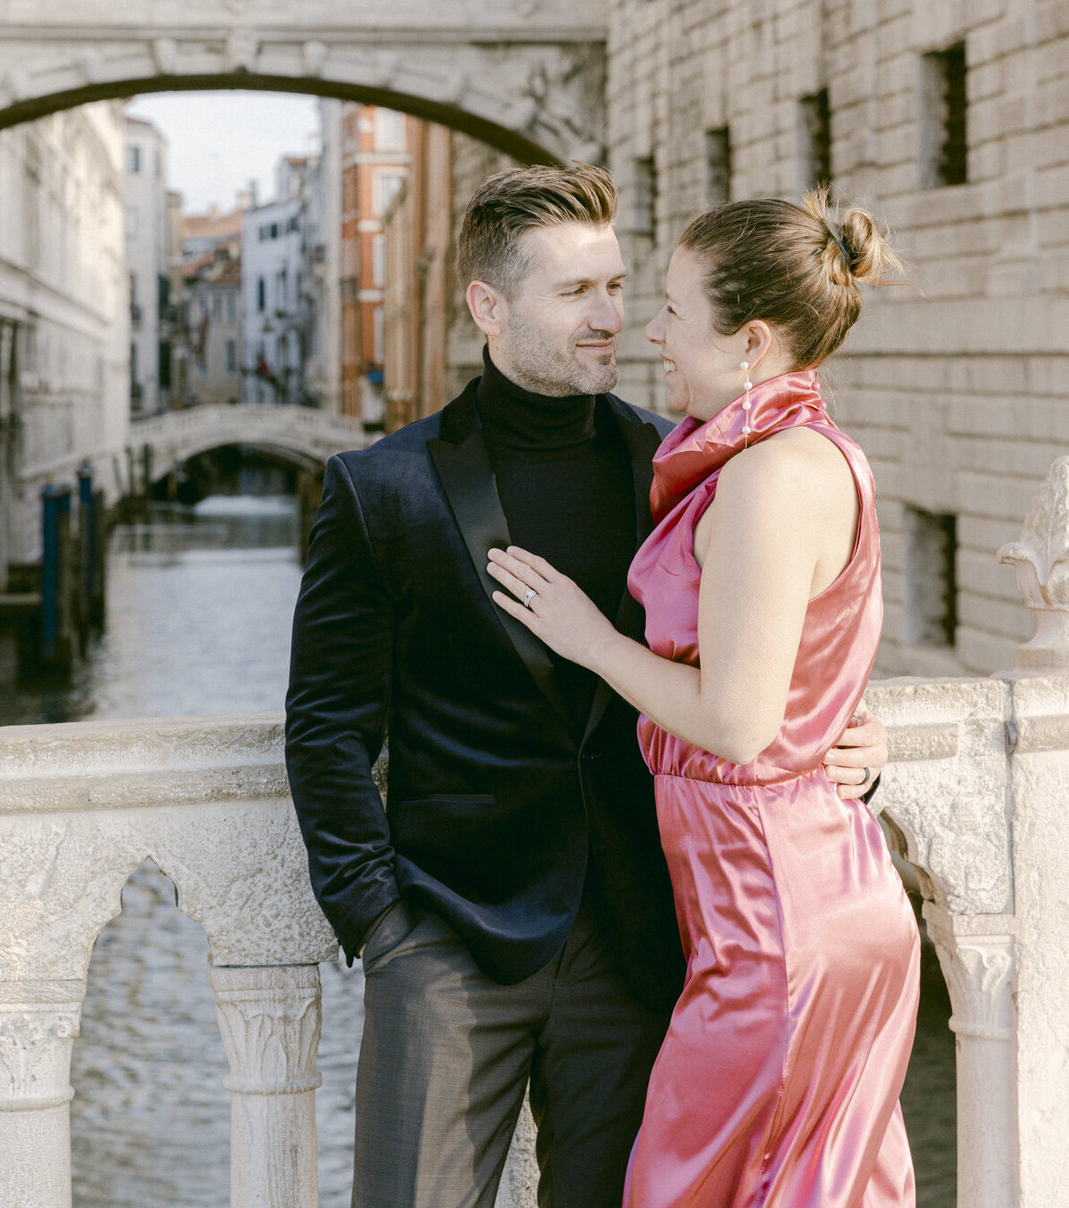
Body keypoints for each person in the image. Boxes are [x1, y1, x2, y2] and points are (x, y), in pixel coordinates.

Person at [285, 166, 888, 1208]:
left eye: (617, 287)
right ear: (489, 307)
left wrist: (853, 746)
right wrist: (383, 922)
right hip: (449, 940)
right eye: (575, 296)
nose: (612, 318)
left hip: (643, 938)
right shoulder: (377, 488)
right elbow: (326, 730)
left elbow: (758, 670)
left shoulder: (684, 465)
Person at [487, 192, 920, 1208]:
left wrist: (590, 641)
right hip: (792, 897)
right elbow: (805, 671)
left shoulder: (770, 477)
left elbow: (736, 719)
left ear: (753, 340)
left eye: (675, 310)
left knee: (689, 1186)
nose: (651, 331)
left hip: (776, 924)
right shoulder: (805, 454)